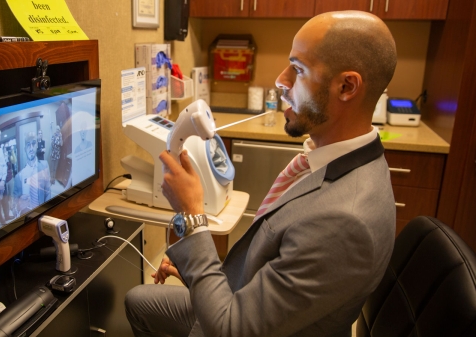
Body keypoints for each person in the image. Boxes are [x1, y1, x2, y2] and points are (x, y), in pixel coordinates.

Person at [125, 10, 397, 337]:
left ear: (347, 86)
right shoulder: (337, 161)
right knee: (139, 300)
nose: (281, 81)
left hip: (236, 326)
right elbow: (274, 264)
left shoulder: (345, 221)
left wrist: (193, 218)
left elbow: (230, 330)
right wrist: (199, 271)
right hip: (253, 302)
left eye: (298, 69)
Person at [13, 131, 51, 217]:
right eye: (28, 144)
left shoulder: (45, 165)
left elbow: (48, 192)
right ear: (24, 149)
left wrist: (47, 212)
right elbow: (14, 205)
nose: (31, 148)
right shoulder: (19, 177)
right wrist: (18, 205)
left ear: (37, 145)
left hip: (42, 213)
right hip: (27, 217)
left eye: (33, 143)